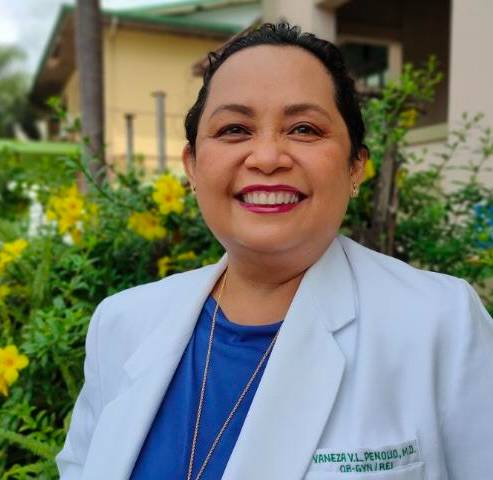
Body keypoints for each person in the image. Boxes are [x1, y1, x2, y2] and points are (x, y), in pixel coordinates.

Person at [56, 23, 493, 480]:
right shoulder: (121, 324)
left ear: (355, 167)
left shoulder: (441, 323)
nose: (266, 158)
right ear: (192, 166)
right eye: (234, 129)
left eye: (304, 129)